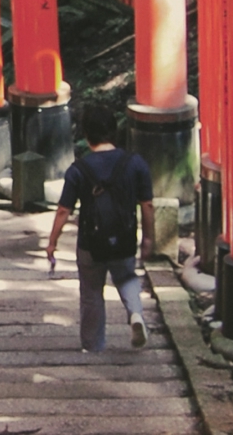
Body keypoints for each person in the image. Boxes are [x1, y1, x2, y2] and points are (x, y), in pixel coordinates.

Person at [44, 103, 156, 351]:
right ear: (113, 131)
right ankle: (135, 314)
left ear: (86, 134)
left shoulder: (78, 169)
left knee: (92, 292)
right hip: (124, 237)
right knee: (126, 277)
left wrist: (52, 242)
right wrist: (148, 238)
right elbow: (147, 204)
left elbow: (64, 210)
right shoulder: (135, 163)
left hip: (90, 242)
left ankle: (92, 346)